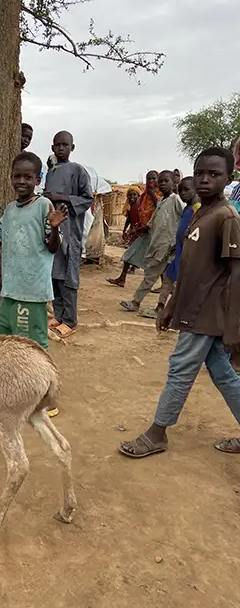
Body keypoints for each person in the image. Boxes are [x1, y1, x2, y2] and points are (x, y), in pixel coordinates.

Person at [119, 147, 240, 458]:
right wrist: (170, 304)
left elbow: (236, 274)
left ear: (230, 177)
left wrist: (234, 326)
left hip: (206, 313)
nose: (204, 179)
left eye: (214, 174)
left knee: (180, 369)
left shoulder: (227, 218)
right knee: (223, 374)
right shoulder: (201, 212)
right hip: (192, 309)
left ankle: (157, 433)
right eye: (200, 172)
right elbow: (189, 267)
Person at [0, 151, 68, 417]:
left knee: (34, 345)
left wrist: (55, 228)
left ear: (38, 178)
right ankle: (10, 390)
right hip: (10, 290)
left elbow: (52, 247)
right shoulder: (10, 210)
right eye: (17, 176)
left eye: (27, 176)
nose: (21, 181)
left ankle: (48, 398)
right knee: (0, 338)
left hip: (32, 292)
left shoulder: (44, 205)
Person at [44, 131, 93, 338]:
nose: (61, 148)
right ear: (53, 147)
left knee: (68, 276)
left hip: (70, 230)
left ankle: (71, 321)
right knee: (54, 274)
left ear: (72, 147)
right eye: (57, 145)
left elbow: (87, 198)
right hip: (53, 231)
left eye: (65, 145)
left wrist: (60, 197)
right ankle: (59, 315)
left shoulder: (78, 170)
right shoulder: (51, 172)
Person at [120, 170, 183, 313]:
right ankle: (163, 307)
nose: (162, 184)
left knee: (151, 276)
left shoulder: (175, 200)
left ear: (173, 182)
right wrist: (137, 230)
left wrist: (178, 241)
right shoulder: (162, 201)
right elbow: (152, 222)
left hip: (168, 246)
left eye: (166, 181)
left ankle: (136, 302)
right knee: (167, 280)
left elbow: (186, 218)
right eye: (160, 181)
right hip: (158, 245)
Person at [107, 171, 160, 288]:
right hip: (144, 230)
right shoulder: (144, 197)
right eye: (148, 179)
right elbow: (138, 214)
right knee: (130, 254)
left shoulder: (161, 196)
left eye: (153, 179)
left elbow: (160, 209)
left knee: (159, 260)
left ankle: (167, 285)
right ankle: (122, 278)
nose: (151, 182)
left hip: (155, 232)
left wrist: (152, 195)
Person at [156, 177, 199, 311]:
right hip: (179, 250)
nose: (182, 193)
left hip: (188, 252)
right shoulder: (187, 208)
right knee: (168, 277)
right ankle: (160, 306)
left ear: (196, 190)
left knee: (178, 282)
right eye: (180, 190)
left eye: (186, 189)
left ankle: (173, 309)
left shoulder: (197, 208)